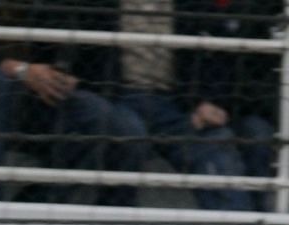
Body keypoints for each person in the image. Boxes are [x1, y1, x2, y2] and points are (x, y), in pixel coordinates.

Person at [0, 0, 148, 204]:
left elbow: (104, 64)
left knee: (122, 127)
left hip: (41, 98)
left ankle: (34, 211)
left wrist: (72, 79)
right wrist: (12, 67)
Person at [117, 0, 277, 211]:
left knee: (235, 137)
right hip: (121, 97)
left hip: (179, 102)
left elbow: (219, 63)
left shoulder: (196, 6)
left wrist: (205, 103)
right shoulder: (106, 7)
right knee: (124, 129)